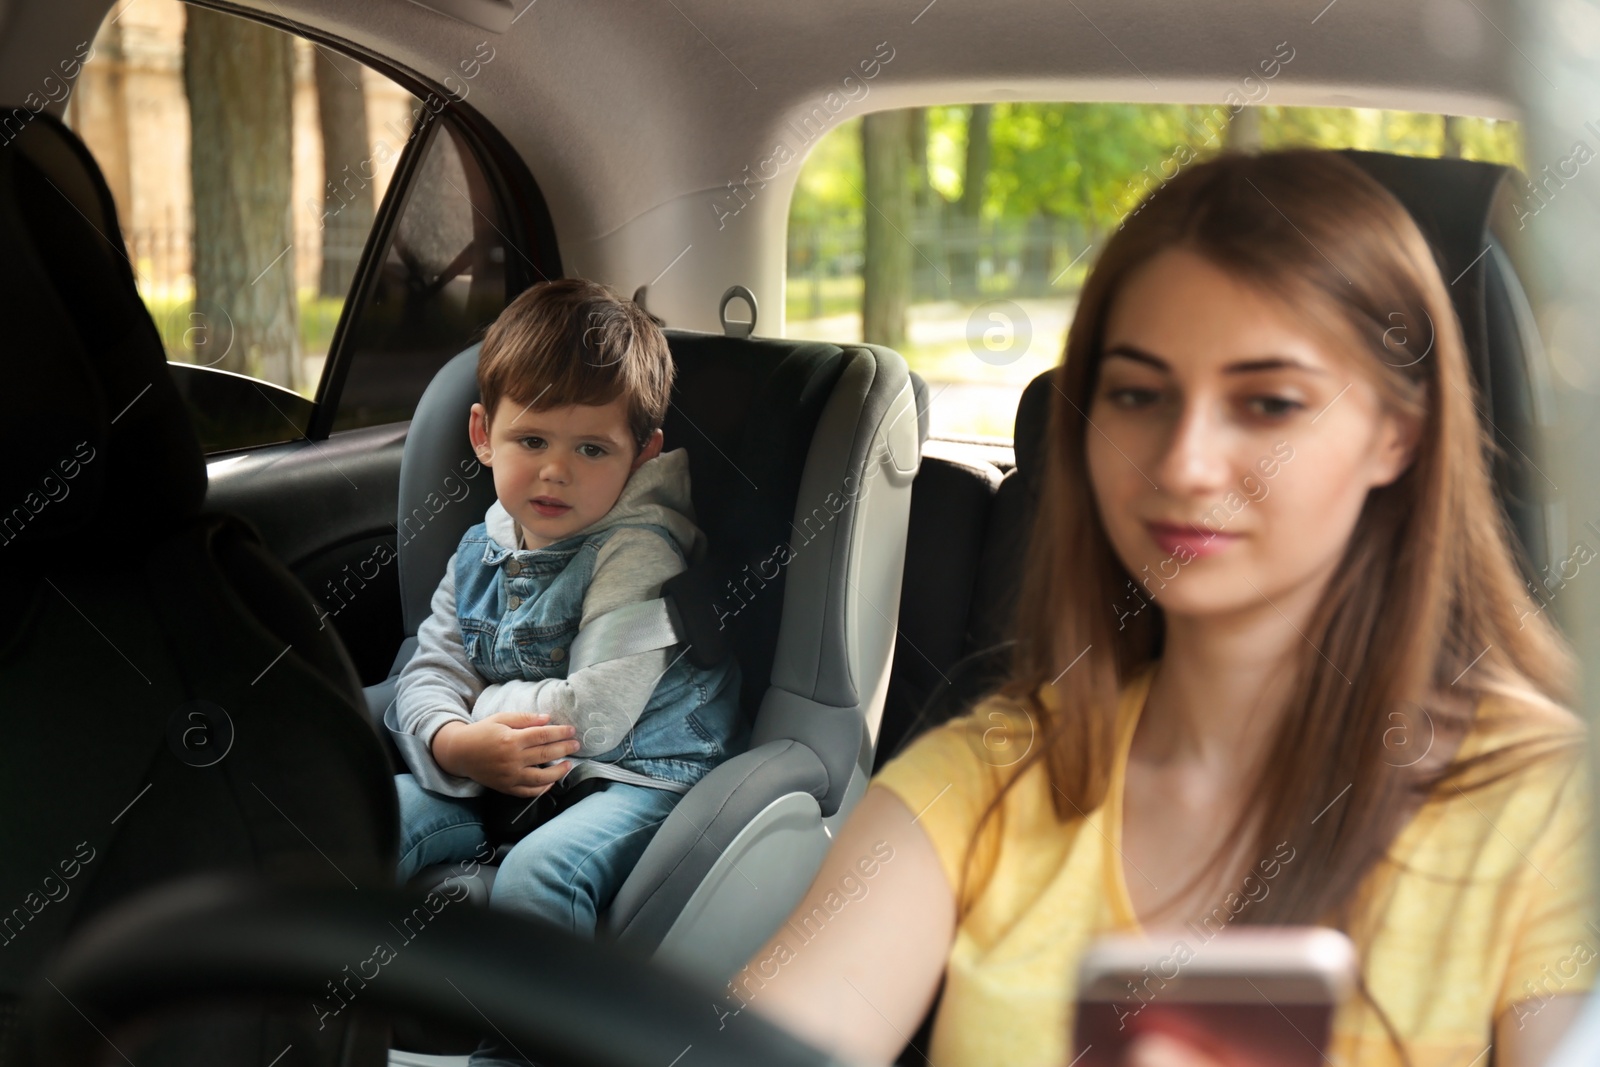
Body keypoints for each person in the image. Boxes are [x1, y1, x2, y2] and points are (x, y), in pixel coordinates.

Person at [735, 150, 1594, 1067]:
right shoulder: (981, 782)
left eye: (1267, 402)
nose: (1183, 463)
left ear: (1398, 435)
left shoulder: (1547, 808)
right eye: (1139, 395)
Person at [385, 278, 746, 1064]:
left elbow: (599, 714)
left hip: (639, 772)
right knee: (368, 815)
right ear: (483, 434)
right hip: (509, 764)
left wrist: (477, 717)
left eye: (591, 449)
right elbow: (428, 668)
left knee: (541, 874)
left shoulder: (640, 546)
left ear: (642, 453)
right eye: (532, 441)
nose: (555, 472)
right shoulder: (482, 545)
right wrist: (450, 741)